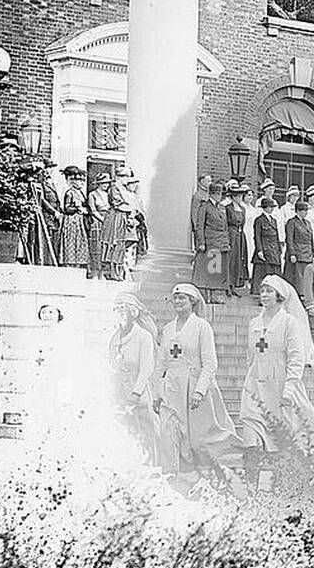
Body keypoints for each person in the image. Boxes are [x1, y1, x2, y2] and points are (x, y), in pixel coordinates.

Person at [239, 275, 314, 484]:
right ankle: (250, 489)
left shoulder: (290, 323)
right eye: (262, 291)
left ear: (280, 296)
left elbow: (296, 359)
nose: (264, 295)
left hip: (281, 386)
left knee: (285, 439)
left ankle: (286, 484)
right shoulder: (254, 323)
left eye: (269, 291)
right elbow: (250, 355)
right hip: (256, 383)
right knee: (250, 432)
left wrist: (288, 390)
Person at [151, 284, 240, 478]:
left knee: (197, 439)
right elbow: (160, 364)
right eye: (175, 298)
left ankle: (207, 477)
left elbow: (210, 363)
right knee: (168, 431)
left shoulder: (201, 327)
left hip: (194, 388)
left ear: (193, 302)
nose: (177, 302)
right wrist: (156, 393)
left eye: (182, 298)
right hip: (172, 388)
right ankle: (170, 475)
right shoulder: (168, 329)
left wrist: (199, 391)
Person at [108, 290, 158, 461]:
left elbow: (146, 368)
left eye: (123, 308)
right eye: (116, 309)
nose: (120, 312)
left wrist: (136, 393)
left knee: (145, 431)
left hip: (139, 394)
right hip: (118, 394)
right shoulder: (114, 338)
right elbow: (111, 365)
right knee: (122, 432)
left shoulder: (144, 336)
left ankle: (152, 465)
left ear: (133, 312)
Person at [191, 181, 231, 302]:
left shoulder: (220, 208)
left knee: (215, 271)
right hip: (210, 243)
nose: (219, 196)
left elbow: (225, 227)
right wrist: (201, 242)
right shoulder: (205, 207)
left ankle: (214, 295)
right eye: (217, 194)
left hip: (220, 244)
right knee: (206, 271)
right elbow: (200, 226)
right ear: (212, 194)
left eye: (220, 194)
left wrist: (226, 242)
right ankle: (205, 295)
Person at [99, 176, 135, 280]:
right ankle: (112, 271)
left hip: (122, 217)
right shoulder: (114, 187)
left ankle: (118, 270)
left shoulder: (124, 189)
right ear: (119, 177)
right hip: (115, 217)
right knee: (114, 244)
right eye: (125, 177)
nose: (127, 179)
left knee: (121, 245)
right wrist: (129, 208)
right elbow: (117, 204)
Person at [57, 165, 91, 269]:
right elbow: (66, 208)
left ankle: (78, 262)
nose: (81, 183)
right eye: (79, 181)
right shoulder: (69, 192)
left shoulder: (80, 193)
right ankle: (69, 262)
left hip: (79, 221)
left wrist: (85, 210)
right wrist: (77, 209)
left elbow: (86, 206)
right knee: (71, 241)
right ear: (74, 182)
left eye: (83, 181)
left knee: (80, 242)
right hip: (71, 221)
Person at [250, 195, 283, 297]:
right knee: (262, 273)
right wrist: (259, 250)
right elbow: (257, 236)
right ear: (265, 207)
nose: (272, 209)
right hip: (264, 249)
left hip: (273, 250)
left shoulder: (273, 220)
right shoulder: (259, 220)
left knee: (273, 273)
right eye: (270, 207)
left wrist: (279, 248)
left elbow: (276, 235)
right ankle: (259, 293)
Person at [284, 198, 314, 290]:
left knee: (306, 275)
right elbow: (289, 239)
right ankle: (299, 293)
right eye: (303, 210)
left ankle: (305, 293)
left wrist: (312, 252)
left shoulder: (308, 223)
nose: (306, 212)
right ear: (297, 211)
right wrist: (292, 253)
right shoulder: (292, 222)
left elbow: (311, 239)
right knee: (298, 277)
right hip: (298, 253)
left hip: (307, 253)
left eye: (306, 210)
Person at [225, 181, 249, 296]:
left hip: (240, 236)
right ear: (233, 197)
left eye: (241, 196)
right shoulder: (228, 208)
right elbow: (226, 224)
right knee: (230, 260)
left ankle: (234, 284)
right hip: (231, 234)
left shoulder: (243, 209)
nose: (240, 198)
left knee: (239, 260)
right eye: (237, 196)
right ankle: (227, 285)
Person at [87, 172, 111, 279]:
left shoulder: (109, 194)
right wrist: (102, 220)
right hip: (97, 221)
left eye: (107, 183)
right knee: (96, 247)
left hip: (109, 220)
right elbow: (93, 210)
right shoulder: (92, 194)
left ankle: (104, 272)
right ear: (99, 184)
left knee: (107, 247)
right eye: (103, 183)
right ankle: (95, 271)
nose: (106, 185)